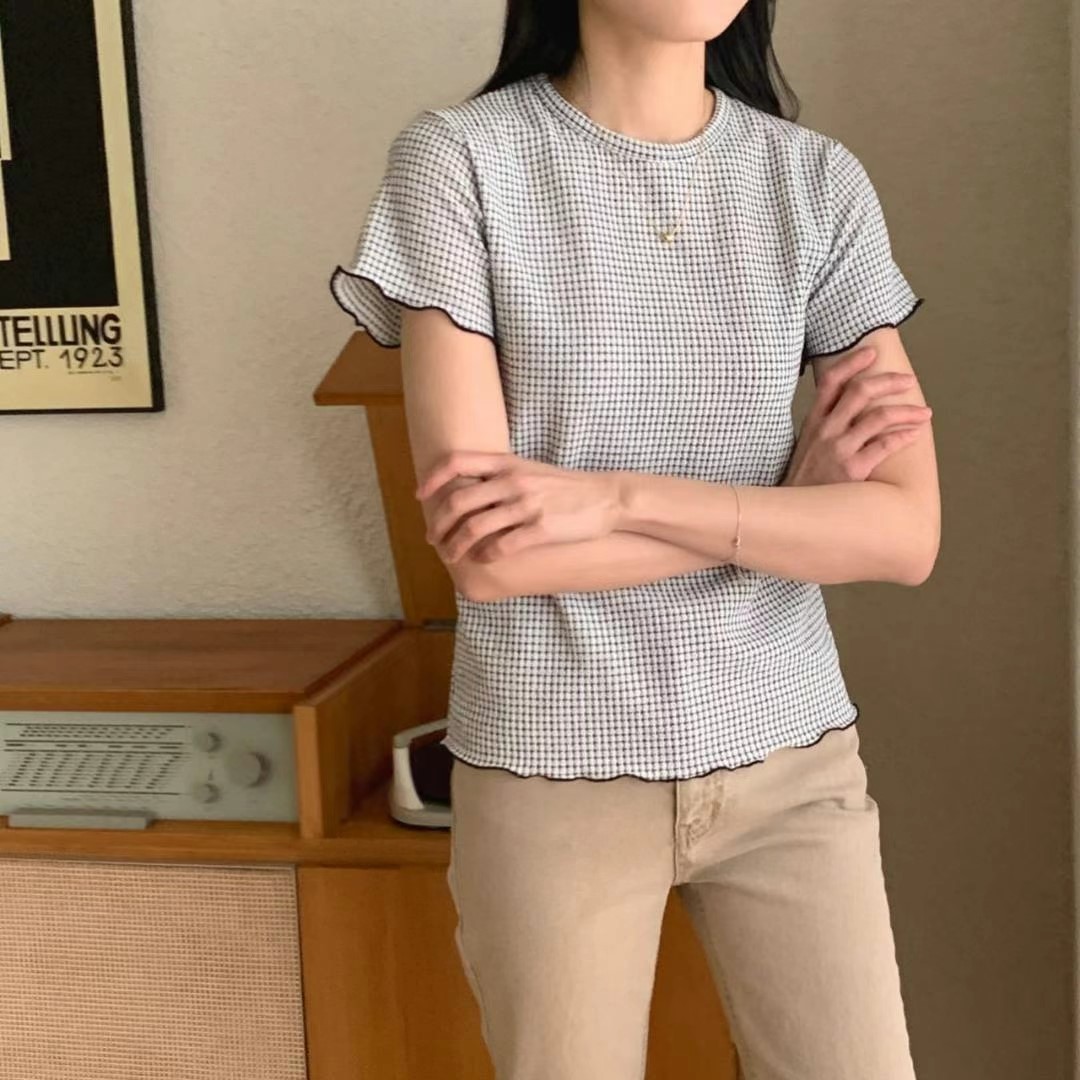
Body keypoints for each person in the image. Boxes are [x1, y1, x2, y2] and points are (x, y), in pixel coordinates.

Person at [329, 2, 939, 1077]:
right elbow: (491, 557)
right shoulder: (460, 162)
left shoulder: (816, 181)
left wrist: (613, 502)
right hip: (552, 766)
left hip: (793, 761)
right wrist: (787, 512)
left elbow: (904, 532)